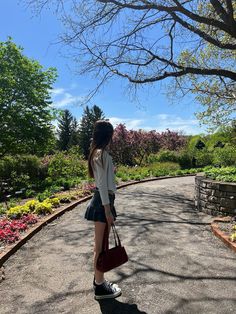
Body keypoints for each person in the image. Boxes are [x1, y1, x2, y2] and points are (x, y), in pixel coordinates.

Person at [84, 120, 121, 300]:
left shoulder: (98, 153)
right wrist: (107, 211)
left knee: (99, 245)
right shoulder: (100, 154)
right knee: (100, 246)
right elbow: (102, 184)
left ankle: (99, 280)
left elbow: (105, 184)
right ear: (107, 135)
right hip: (102, 203)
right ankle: (99, 286)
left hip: (104, 201)